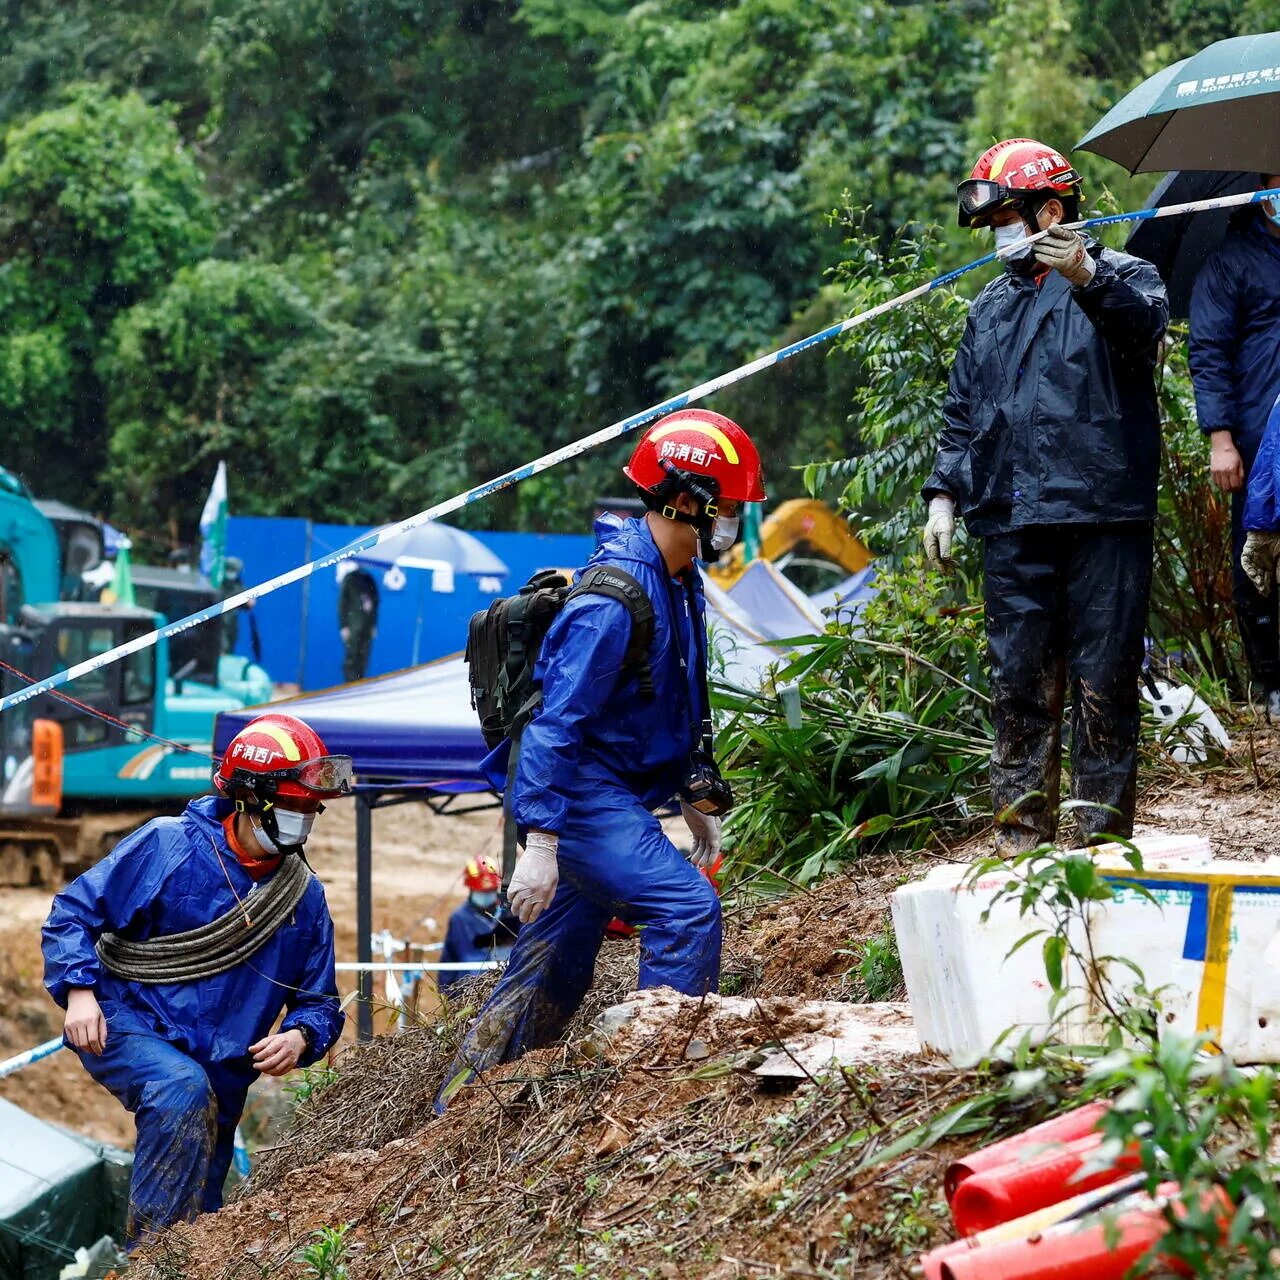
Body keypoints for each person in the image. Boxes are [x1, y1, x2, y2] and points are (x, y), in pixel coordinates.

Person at [436, 409, 765, 1107]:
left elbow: (667, 699)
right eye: (731, 507)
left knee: (552, 960)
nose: (738, 521)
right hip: (581, 796)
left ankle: (461, 1106)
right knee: (686, 910)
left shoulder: (678, 580)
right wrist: (543, 840)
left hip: (611, 791)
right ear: (687, 502)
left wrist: (687, 791)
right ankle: (647, 1094)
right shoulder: (612, 601)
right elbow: (556, 727)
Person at [923, 138, 1168, 852]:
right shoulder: (991, 305)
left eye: (1005, 216)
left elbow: (1145, 331)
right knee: (1019, 685)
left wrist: (1088, 276)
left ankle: (1099, 848)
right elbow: (963, 413)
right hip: (1012, 517)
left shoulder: (1126, 274)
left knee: (1103, 682)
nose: (997, 233)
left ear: (1050, 210)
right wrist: (942, 493)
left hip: (1104, 514)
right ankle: (1020, 843)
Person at [42, 713, 350, 1248]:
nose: (304, 820)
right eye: (294, 807)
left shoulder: (302, 897)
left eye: (310, 810)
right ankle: (151, 1266)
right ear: (250, 800)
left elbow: (320, 1000)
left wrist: (301, 1036)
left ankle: (178, 1258)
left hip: (222, 1072)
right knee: (178, 1089)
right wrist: (80, 992)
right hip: (127, 1022)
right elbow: (72, 914)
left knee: (200, 1211)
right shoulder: (169, 845)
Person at [1189, 174, 1280, 714]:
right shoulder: (1230, 260)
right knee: (1258, 555)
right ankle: (1271, 681)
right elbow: (1208, 353)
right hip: (1256, 435)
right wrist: (1221, 440)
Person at [437, 857, 520, 993]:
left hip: (507, 984)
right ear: (471, 889)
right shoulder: (460, 919)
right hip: (470, 989)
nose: (486, 895)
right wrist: (447, 993)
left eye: (490, 891)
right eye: (482, 892)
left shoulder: (509, 913)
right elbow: (450, 958)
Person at [338, 562, 379, 682]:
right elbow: (342, 605)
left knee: (364, 657)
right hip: (353, 626)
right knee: (352, 657)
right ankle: (350, 684)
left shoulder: (369, 579)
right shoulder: (350, 579)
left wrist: (373, 624)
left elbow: (375, 603)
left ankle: (359, 683)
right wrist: (344, 626)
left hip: (366, 625)